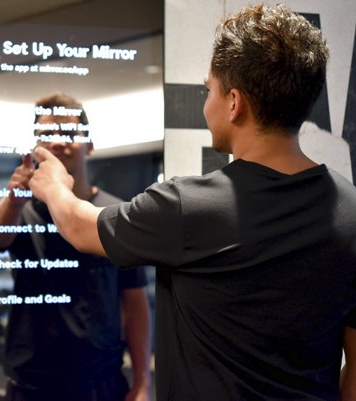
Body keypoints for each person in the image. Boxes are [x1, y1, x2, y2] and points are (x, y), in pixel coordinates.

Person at [27, 4, 356, 401]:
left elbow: (80, 227)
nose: (206, 104)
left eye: (208, 90)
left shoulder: (188, 206)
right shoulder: (351, 211)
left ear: (234, 103)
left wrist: (52, 185)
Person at [0, 93, 152, 401]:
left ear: (89, 144)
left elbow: (135, 303)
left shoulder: (114, 213)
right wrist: (13, 202)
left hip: (98, 380)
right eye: (48, 134)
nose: (59, 142)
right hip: (29, 382)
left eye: (69, 133)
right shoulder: (21, 207)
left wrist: (143, 379)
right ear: (36, 147)